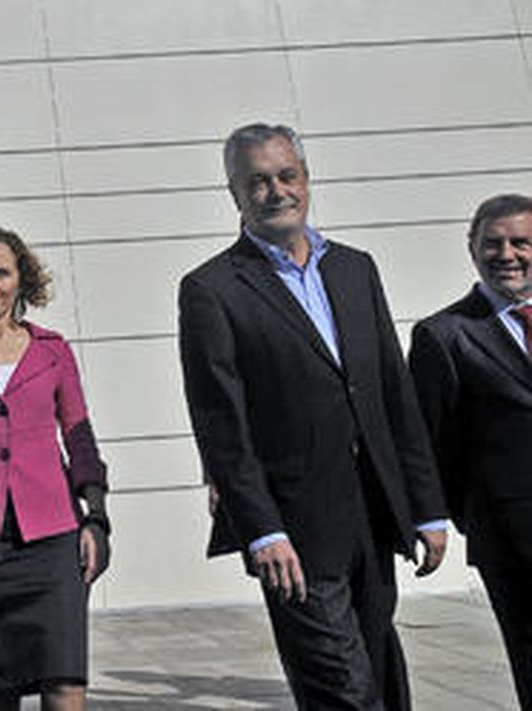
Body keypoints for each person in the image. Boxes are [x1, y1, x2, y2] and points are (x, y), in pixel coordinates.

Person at [177, 121, 448, 710]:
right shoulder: (211, 289)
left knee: (380, 676)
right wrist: (263, 530)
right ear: (234, 193)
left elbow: (394, 395)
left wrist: (427, 507)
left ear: (306, 179)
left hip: (373, 515)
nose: (276, 191)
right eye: (258, 181)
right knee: (341, 689)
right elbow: (222, 426)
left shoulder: (355, 269)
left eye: (287, 175)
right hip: (294, 531)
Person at [0, 227, 109, 711]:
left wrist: (96, 517)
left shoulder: (52, 349)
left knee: (65, 684)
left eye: (2, 272)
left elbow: (79, 438)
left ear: (21, 280)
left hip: (53, 541)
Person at [408, 193, 532, 709]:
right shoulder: (444, 335)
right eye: (493, 244)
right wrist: (467, 517)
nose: (507, 255)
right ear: (472, 249)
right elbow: (430, 442)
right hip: (512, 537)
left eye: (521, 242)